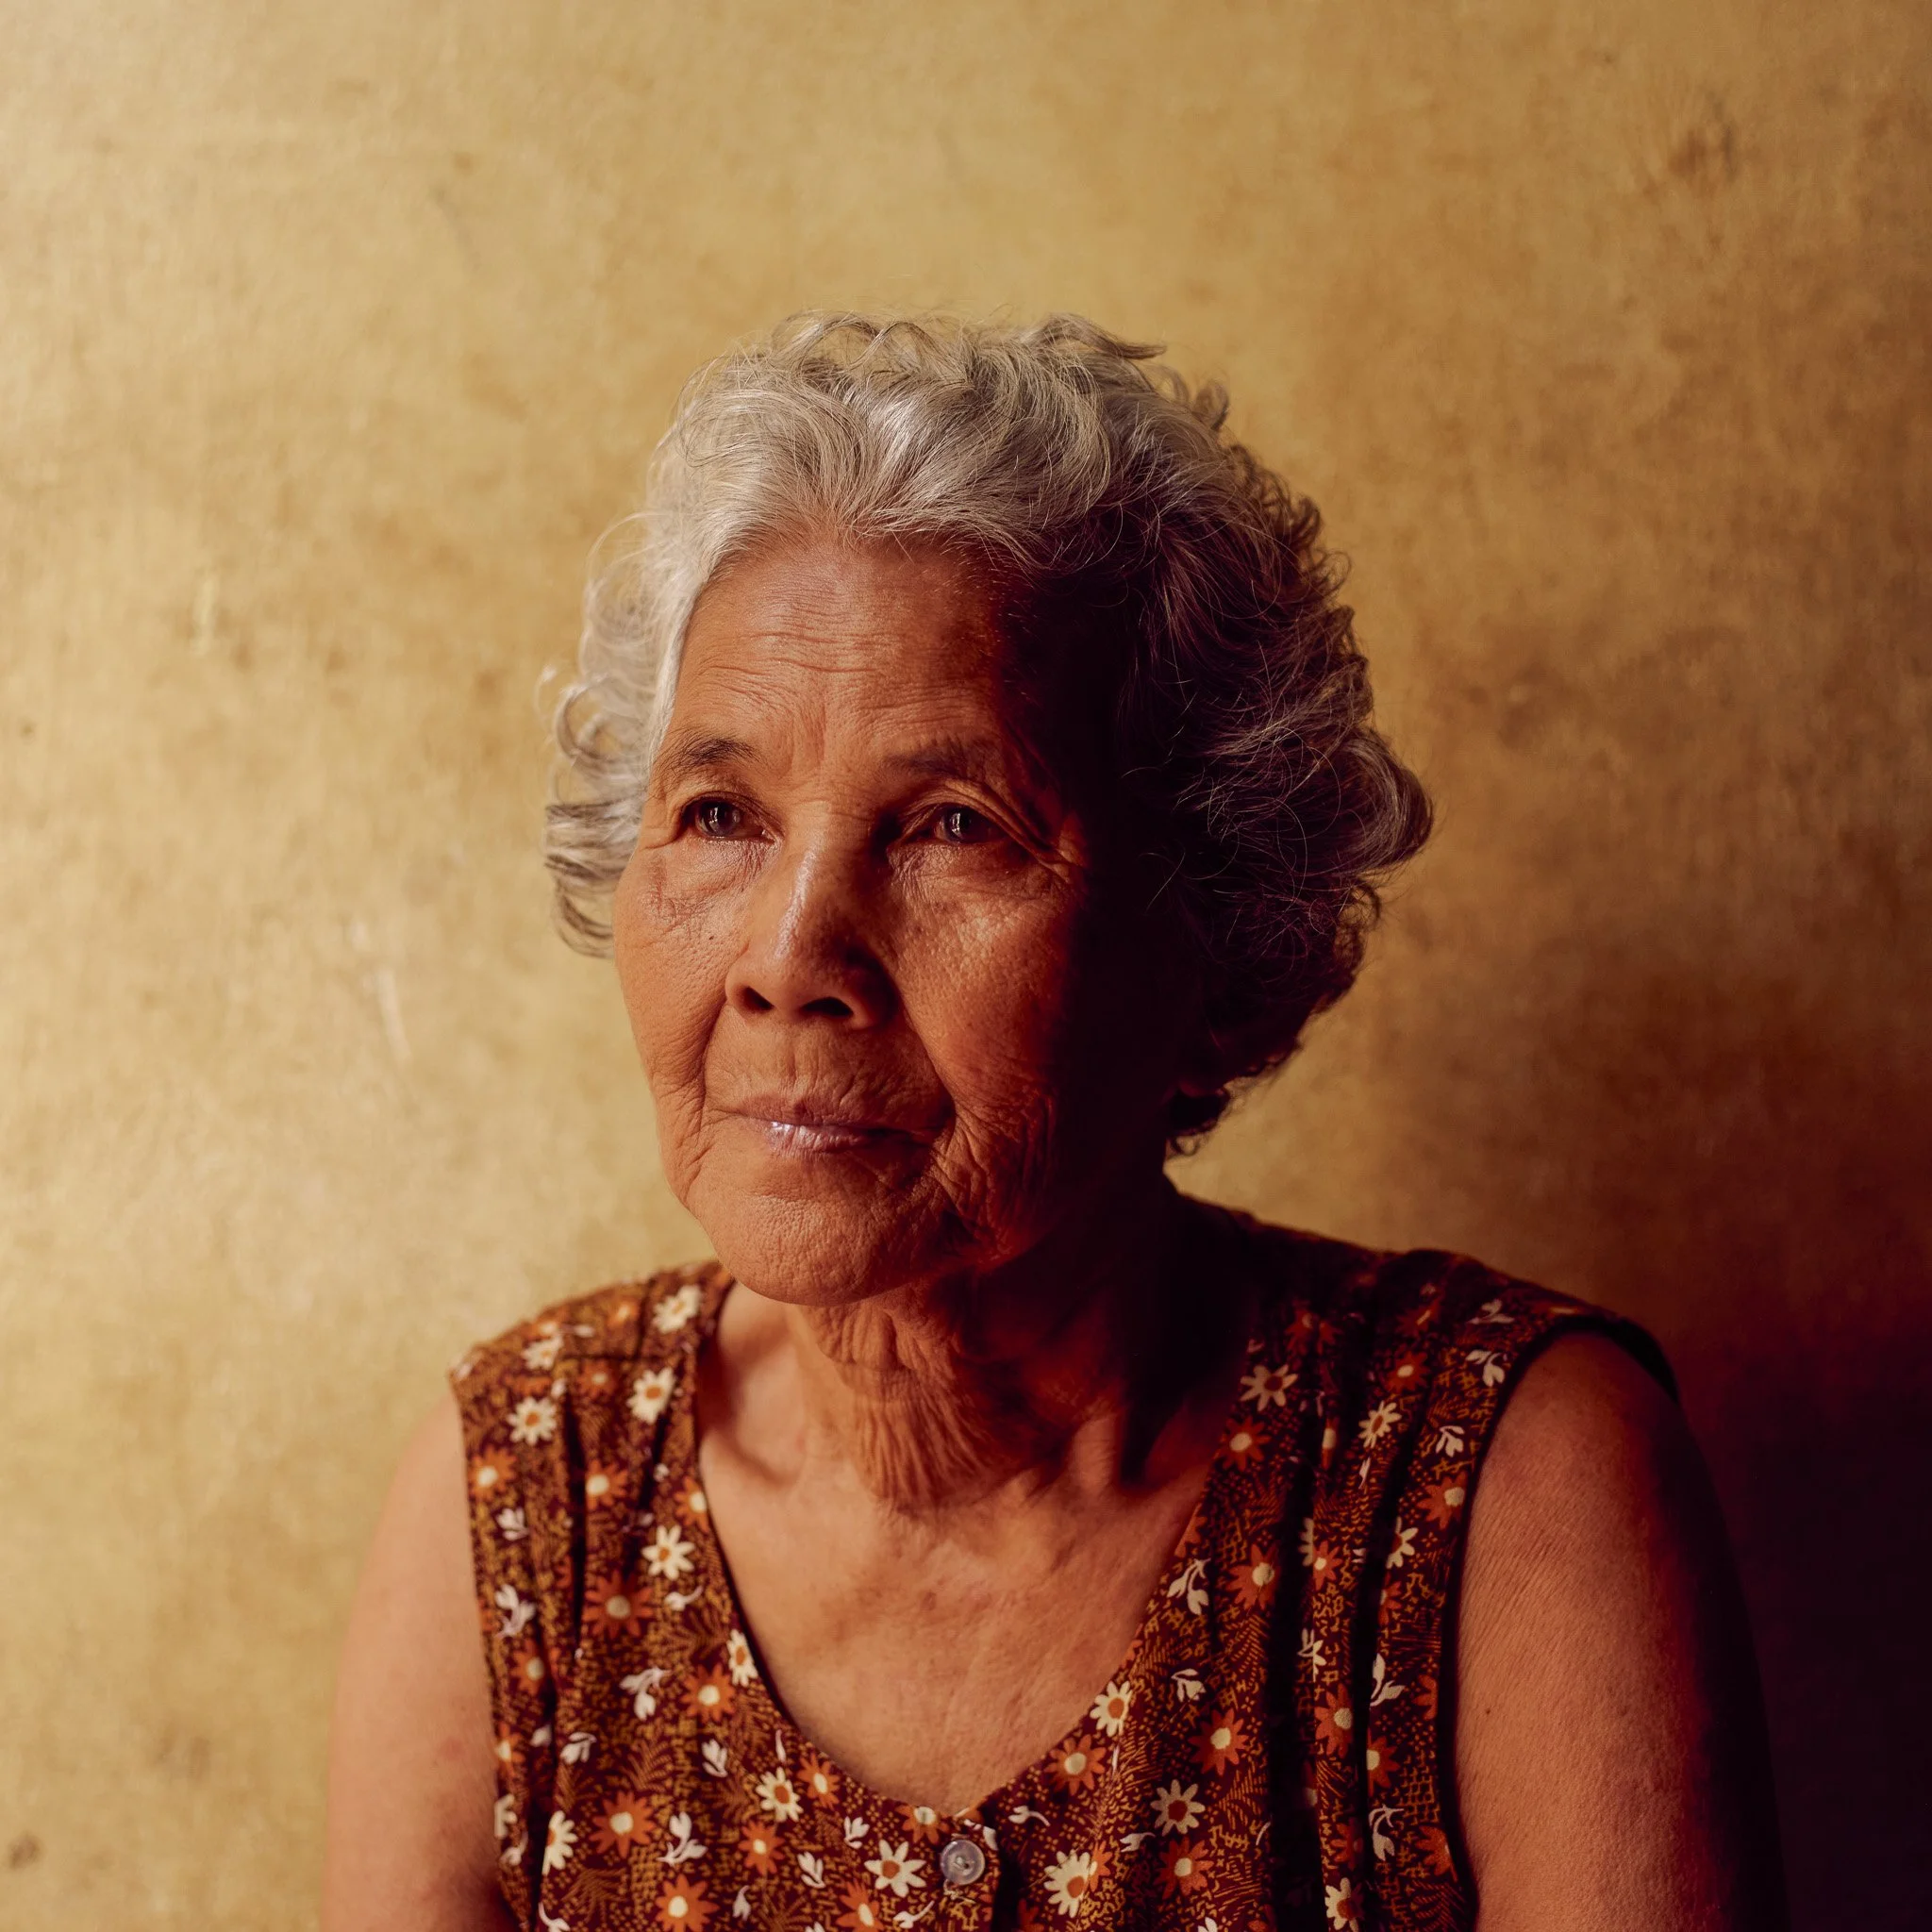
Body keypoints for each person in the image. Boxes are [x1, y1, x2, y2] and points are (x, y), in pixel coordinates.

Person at [322, 315, 1785, 1932]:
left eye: (954, 826)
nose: (792, 955)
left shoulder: (1493, 1489)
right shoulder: (533, 1510)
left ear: (1217, 943)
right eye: (720, 815)